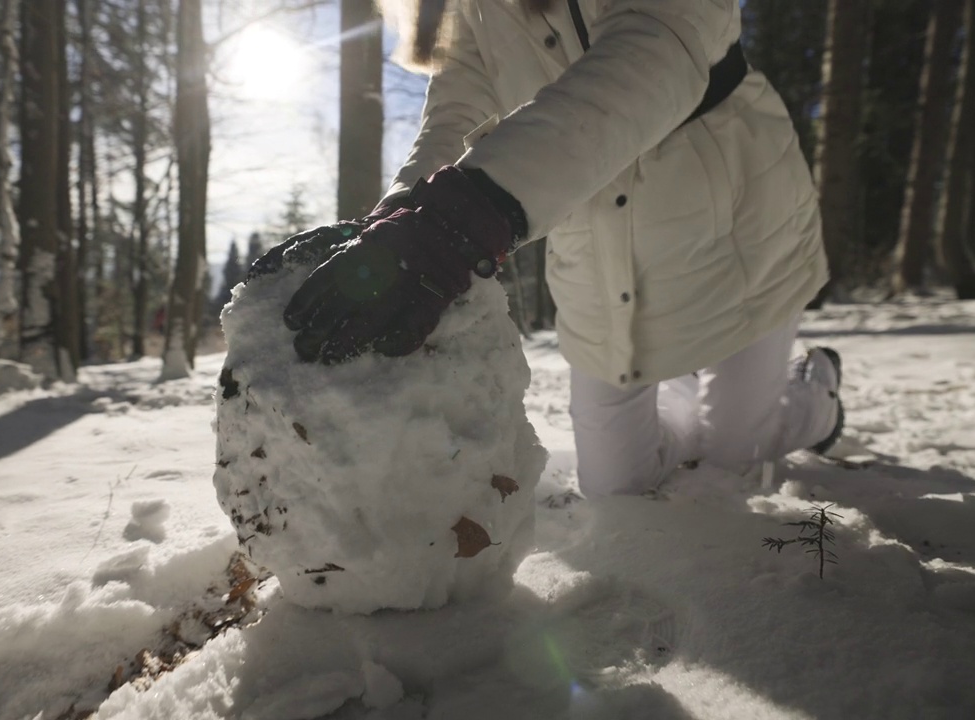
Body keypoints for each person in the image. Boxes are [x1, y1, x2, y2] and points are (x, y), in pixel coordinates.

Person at [252, 0, 843, 496]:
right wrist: (395, 223)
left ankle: (815, 394)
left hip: (731, 212)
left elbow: (658, 46)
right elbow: (455, 116)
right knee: (618, 486)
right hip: (599, 250)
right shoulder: (466, 8)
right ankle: (696, 390)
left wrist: (472, 216)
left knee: (735, 456)